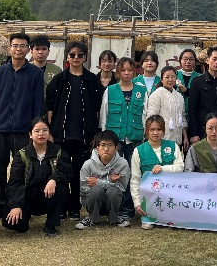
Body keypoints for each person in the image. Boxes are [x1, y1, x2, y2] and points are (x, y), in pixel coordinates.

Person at [0, 32, 44, 221]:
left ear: (28, 50)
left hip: (24, 130)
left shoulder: (35, 73)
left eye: (22, 46)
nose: (18, 49)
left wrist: (34, 130)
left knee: (23, 168)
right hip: (0, 129)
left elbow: (38, 105)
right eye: (15, 45)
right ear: (9, 48)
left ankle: (21, 204)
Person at [46, 40, 103, 220]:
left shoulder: (92, 80)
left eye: (80, 55)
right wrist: (50, 132)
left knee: (79, 172)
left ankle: (75, 207)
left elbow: (98, 109)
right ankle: (61, 206)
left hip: (84, 136)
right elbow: (50, 107)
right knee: (62, 171)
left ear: (85, 57)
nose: (76, 58)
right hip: (61, 135)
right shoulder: (59, 80)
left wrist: (95, 134)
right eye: (72, 55)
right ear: (67, 57)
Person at [2, 116, 72, 236]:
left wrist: (53, 179)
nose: (41, 134)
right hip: (26, 197)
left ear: (49, 133)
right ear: (30, 134)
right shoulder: (22, 155)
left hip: (48, 196)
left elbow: (67, 173)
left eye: (45, 130)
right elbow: (15, 183)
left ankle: (51, 224)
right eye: (37, 131)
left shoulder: (58, 152)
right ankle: (26, 215)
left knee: (60, 187)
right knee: (12, 223)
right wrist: (16, 205)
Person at [99, 56, 146, 226]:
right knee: (115, 174)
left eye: (130, 70)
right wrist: (104, 138)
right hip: (115, 139)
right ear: (118, 72)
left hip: (135, 138)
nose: (126, 73)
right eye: (123, 70)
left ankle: (128, 209)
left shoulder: (141, 90)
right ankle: (114, 208)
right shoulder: (110, 90)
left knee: (133, 174)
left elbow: (145, 114)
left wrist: (145, 136)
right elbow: (104, 115)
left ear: (135, 72)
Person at [131, 115, 184, 230]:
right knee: (148, 226)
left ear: (163, 131)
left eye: (159, 129)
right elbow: (135, 179)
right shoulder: (138, 151)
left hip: (170, 193)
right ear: (146, 131)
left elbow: (180, 167)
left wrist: (163, 168)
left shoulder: (173, 146)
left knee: (173, 223)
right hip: (149, 196)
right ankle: (150, 216)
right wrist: (137, 203)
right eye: (152, 129)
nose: (155, 133)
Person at [75, 129, 130, 229]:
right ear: (97, 147)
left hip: (113, 200)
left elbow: (122, 187)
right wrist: (109, 180)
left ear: (116, 148)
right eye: (103, 145)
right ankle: (92, 217)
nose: (106, 149)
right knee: (96, 190)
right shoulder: (88, 164)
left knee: (113, 191)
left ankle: (114, 218)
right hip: (92, 200)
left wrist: (99, 182)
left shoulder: (122, 164)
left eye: (110, 145)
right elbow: (84, 189)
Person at [188, 47, 217, 145]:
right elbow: (192, 109)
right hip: (203, 130)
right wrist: (194, 133)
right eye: (214, 59)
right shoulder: (197, 82)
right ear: (207, 60)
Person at [146, 65, 188, 150]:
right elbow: (152, 118)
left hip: (177, 141)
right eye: (167, 77)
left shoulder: (179, 96)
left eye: (173, 77)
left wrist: (185, 137)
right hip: (161, 140)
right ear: (162, 79)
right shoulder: (156, 95)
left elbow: (182, 118)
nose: (170, 79)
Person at [176, 48, 201, 114]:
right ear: (180, 60)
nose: (188, 61)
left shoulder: (200, 77)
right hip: (176, 112)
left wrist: (187, 91)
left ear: (195, 61)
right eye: (185, 59)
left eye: (191, 59)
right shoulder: (174, 75)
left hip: (194, 113)